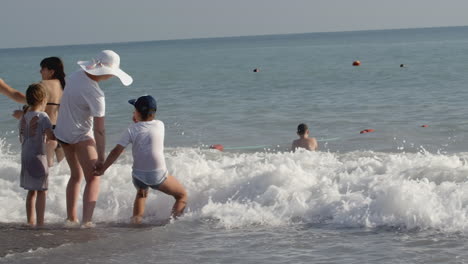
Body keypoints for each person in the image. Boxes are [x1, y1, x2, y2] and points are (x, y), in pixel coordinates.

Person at [54, 50, 133, 228]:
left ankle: (71, 218)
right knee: (94, 178)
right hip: (80, 135)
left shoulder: (74, 76)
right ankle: (86, 222)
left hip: (63, 133)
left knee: (75, 176)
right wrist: (101, 157)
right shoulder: (96, 94)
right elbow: (99, 130)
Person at [94, 95, 187, 224]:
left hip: (138, 175)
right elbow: (147, 128)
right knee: (181, 196)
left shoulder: (131, 129)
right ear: (154, 112)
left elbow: (116, 151)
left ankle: (136, 221)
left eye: (134, 110)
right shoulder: (160, 125)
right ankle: (174, 222)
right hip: (157, 175)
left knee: (141, 194)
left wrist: (103, 168)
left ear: (137, 113)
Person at [2, 57, 66, 166]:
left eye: (42, 69)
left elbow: (20, 98)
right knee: (64, 168)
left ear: (51, 72)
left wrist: (3, 86)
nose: (40, 71)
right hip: (62, 132)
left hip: (45, 132)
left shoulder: (43, 86)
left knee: (46, 168)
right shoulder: (64, 86)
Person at [19, 83, 54, 227]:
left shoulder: (24, 116)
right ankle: (40, 223)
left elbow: (21, 137)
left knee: (31, 191)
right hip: (39, 157)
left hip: (25, 157)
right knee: (42, 190)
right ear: (43, 100)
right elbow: (51, 136)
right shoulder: (43, 116)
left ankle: (30, 221)